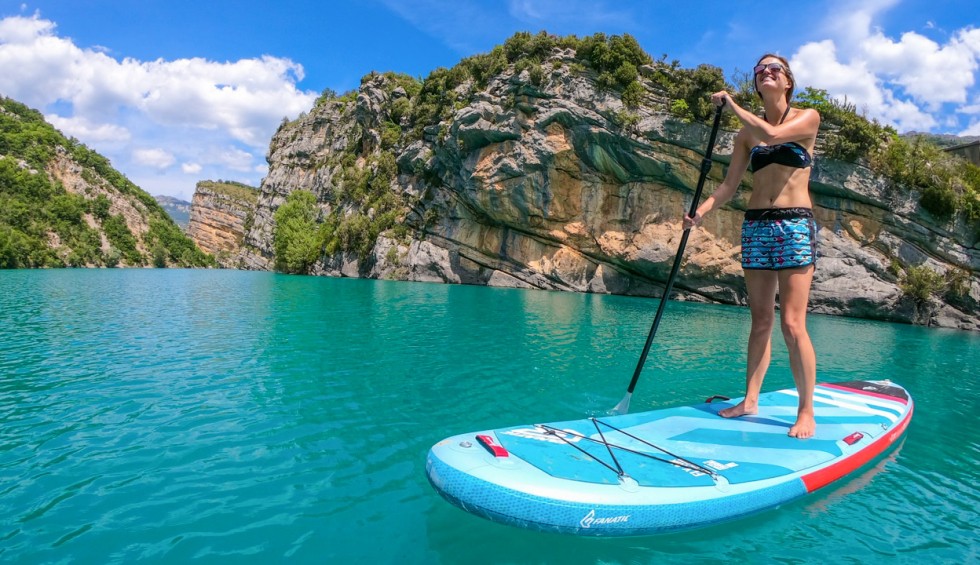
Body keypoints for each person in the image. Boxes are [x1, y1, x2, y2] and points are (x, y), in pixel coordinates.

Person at [682, 54, 821, 439]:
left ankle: (806, 410)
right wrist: (701, 211)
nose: (767, 72)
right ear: (758, 83)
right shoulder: (745, 136)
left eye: (775, 68)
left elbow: (774, 137)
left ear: (788, 80)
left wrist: (732, 105)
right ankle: (750, 400)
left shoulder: (807, 118)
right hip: (756, 226)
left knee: (793, 324)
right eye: (761, 70)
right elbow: (729, 186)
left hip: (795, 224)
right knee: (760, 321)